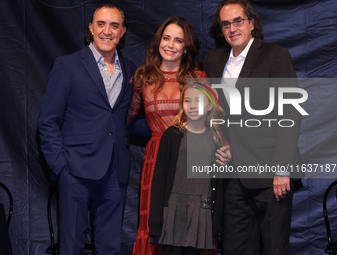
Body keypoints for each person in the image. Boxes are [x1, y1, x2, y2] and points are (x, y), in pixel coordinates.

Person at [204, 0, 304, 254]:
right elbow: (212, 113)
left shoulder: (275, 55)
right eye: (225, 24)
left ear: (252, 23)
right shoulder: (214, 60)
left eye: (238, 21)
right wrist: (218, 144)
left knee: (273, 248)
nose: (232, 28)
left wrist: (283, 169)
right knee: (235, 249)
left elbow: (289, 114)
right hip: (233, 176)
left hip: (272, 174)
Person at [128, 16, 231, 255]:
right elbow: (127, 119)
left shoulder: (198, 77)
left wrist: (224, 149)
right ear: (158, 41)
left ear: (186, 47)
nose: (171, 45)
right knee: (156, 225)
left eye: (178, 40)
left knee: (194, 226)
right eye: (166, 38)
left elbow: (215, 120)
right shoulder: (143, 78)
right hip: (156, 161)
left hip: (193, 157)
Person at [38, 4, 136, 255]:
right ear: (91, 28)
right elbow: (48, 120)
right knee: (71, 246)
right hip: (76, 170)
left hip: (115, 171)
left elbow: (127, 118)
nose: (107, 30)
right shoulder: (68, 65)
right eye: (101, 24)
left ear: (123, 31)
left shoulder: (131, 69)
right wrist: (61, 165)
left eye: (114, 25)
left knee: (110, 246)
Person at [148, 81, 229, 255]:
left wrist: (216, 221)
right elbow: (159, 180)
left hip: (201, 211)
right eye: (187, 101)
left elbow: (219, 184)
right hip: (174, 210)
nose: (192, 106)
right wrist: (155, 221)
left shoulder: (216, 140)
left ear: (209, 106)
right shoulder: (172, 135)